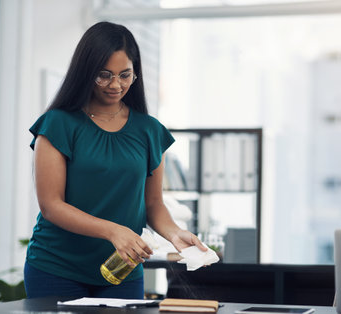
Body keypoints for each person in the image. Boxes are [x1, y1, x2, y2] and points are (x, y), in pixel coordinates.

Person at [24, 21, 207, 299]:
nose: (115, 85)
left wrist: (174, 233)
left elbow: (153, 204)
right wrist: (113, 231)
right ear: (86, 72)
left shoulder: (149, 130)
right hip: (56, 268)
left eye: (125, 75)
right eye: (104, 75)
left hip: (122, 271)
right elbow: (51, 205)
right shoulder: (58, 124)